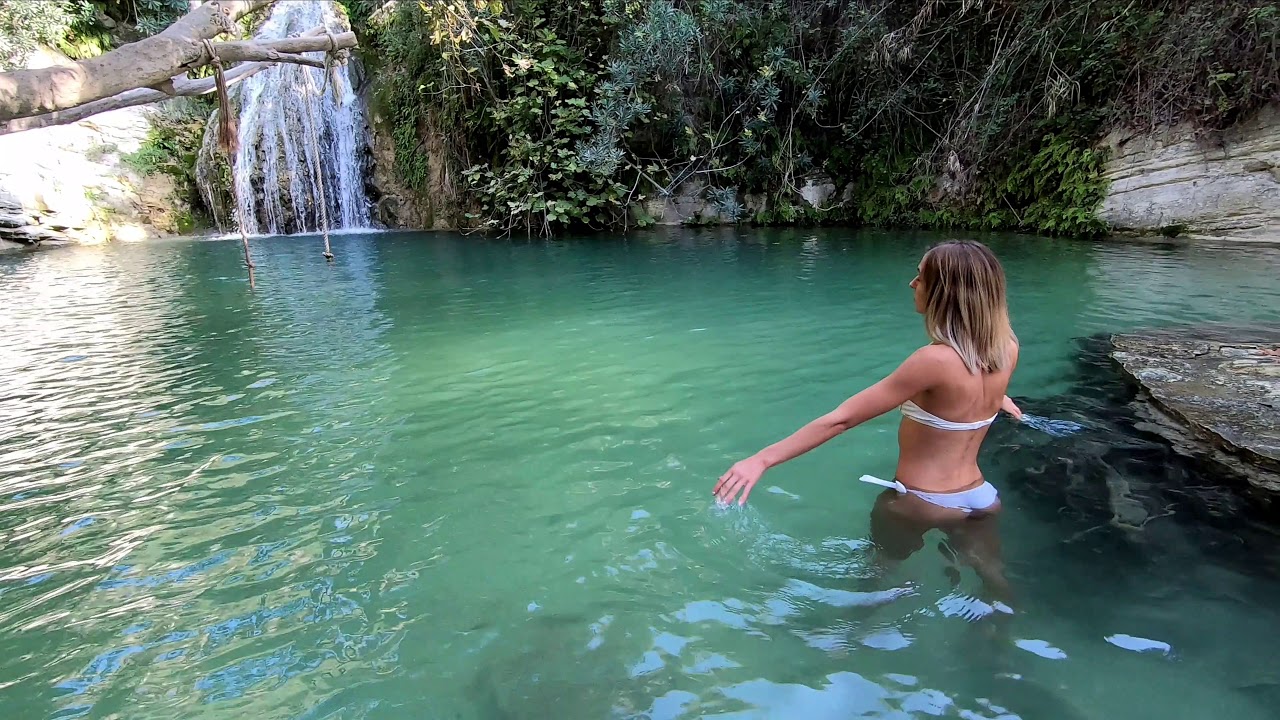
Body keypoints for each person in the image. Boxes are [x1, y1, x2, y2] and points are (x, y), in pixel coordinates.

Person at [713, 239, 1020, 600]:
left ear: (944, 292)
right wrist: (1000, 400)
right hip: (980, 498)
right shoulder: (1006, 349)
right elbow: (973, 396)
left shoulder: (933, 361)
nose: (912, 284)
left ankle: (849, 641)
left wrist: (762, 459)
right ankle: (999, 635)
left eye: (920, 277)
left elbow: (840, 420)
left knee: (875, 583)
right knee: (994, 582)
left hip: (920, 502)